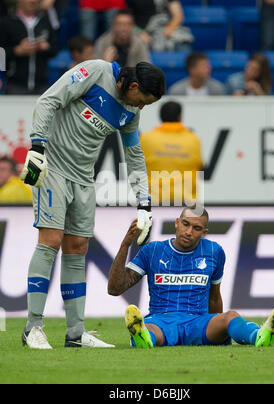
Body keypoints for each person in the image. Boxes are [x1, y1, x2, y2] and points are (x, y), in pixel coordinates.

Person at [19, 59, 165, 350]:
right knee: (50, 241)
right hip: (54, 170)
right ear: (134, 86)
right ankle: (33, 327)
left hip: (84, 179)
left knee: (78, 248)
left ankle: (75, 333)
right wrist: (37, 146)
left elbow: (134, 156)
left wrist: (144, 203)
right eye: (144, 100)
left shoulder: (130, 112)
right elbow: (49, 100)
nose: (142, 107)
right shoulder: (96, 71)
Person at [108, 207, 274, 349]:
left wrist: (221, 330)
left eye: (196, 228)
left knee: (230, 316)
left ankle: (259, 336)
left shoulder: (214, 251)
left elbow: (214, 295)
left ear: (204, 232)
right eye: (185, 224)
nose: (189, 231)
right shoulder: (152, 250)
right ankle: (142, 338)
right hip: (161, 320)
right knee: (150, 329)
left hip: (198, 322)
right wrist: (125, 244)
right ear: (177, 223)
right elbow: (115, 289)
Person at [140, 100, 203, 206]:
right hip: (186, 200)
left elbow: (138, 167)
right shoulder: (193, 139)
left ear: (160, 117)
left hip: (155, 199)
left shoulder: (146, 138)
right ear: (180, 117)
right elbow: (200, 167)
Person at [0, 0, 59, 95]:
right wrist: (17, 51)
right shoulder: (7, 22)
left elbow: (55, 49)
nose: (33, 1)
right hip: (14, 85)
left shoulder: (45, 21)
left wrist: (46, 47)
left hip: (42, 85)